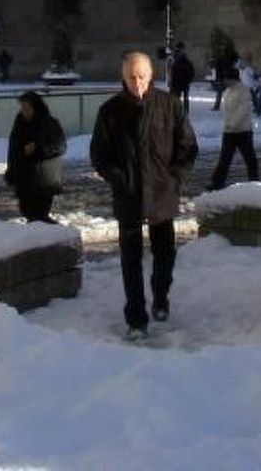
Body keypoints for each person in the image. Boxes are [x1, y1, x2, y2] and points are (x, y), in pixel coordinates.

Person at [90, 50, 198, 340]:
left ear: (151, 75)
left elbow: (187, 146)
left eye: (141, 76)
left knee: (165, 253)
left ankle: (160, 294)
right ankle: (136, 316)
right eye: (131, 77)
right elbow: (100, 155)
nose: (136, 83)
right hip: (128, 195)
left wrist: (174, 177)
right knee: (130, 258)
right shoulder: (110, 111)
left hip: (162, 193)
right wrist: (119, 178)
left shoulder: (168, 105)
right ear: (123, 77)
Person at [3, 90, 67, 222]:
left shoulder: (49, 123)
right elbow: (13, 150)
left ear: (36, 108)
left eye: (27, 108)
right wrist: (11, 172)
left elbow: (60, 146)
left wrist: (38, 148)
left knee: (39, 217)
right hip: (23, 180)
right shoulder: (19, 124)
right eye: (22, 108)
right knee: (29, 215)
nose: (24, 112)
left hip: (43, 181)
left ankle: (55, 236)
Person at [208, 67, 259, 189]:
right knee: (224, 158)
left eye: (226, 79)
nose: (225, 82)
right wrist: (227, 124)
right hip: (229, 131)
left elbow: (243, 111)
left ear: (233, 79)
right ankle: (217, 183)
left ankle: (255, 181)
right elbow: (227, 110)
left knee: (249, 158)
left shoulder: (243, 91)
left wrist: (233, 123)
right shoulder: (228, 91)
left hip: (243, 131)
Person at [168, 44, 196, 117]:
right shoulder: (174, 59)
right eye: (180, 50)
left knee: (184, 98)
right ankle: (177, 112)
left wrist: (189, 80)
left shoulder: (184, 61)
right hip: (177, 82)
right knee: (176, 98)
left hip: (183, 82)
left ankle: (184, 113)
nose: (181, 51)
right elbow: (171, 72)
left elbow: (191, 71)